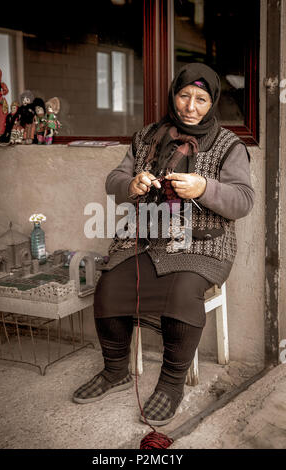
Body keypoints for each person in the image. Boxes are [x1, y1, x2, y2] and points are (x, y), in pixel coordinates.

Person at [72, 63, 255, 426]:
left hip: (204, 244)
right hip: (145, 238)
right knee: (108, 284)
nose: (191, 106)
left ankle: (171, 385)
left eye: (201, 99)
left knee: (183, 292)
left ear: (212, 102)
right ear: (174, 96)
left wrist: (204, 188)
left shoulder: (229, 145)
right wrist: (132, 184)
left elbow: (243, 200)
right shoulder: (146, 137)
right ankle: (115, 372)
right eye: (184, 95)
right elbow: (115, 180)